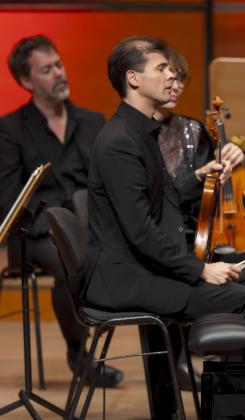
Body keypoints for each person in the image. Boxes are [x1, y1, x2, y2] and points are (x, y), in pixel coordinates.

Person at [85, 36, 245, 418]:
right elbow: (140, 231)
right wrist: (201, 269)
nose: (170, 74)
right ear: (134, 79)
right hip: (127, 280)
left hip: (139, 270)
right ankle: (230, 411)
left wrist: (200, 177)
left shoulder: (137, 131)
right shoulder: (121, 141)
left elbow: (163, 196)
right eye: (160, 68)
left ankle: (173, 408)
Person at [0, 35, 123, 388]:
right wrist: (55, 227)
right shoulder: (9, 129)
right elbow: (10, 198)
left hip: (93, 224)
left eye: (59, 65)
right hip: (38, 232)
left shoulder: (92, 121)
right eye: (46, 69)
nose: (58, 73)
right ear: (26, 81)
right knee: (69, 256)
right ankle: (79, 351)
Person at [154, 47, 245, 242]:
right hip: (156, 233)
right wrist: (197, 176)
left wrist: (233, 157)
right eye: (171, 79)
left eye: (181, 79)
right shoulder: (136, 133)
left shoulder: (194, 128)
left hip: (193, 231)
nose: (177, 86)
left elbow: (210, 193)